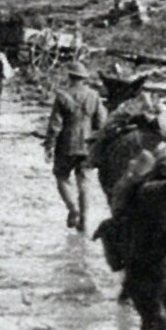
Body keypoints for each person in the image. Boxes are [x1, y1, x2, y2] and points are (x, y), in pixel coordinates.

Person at [43, 62, 107, 233]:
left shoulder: (63, 96)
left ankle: (73, 208)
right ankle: (84, 222)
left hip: (66, 145)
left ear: (70, 77)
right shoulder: (94, 96)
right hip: (87, 146)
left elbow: (55, 125)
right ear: (84, 79)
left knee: (61, 177)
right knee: (84, 183)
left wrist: (49, 145)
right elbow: (101, 123)